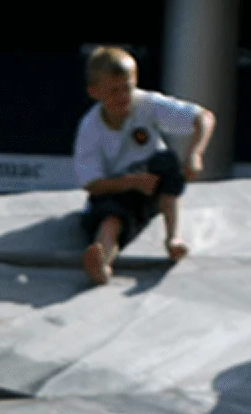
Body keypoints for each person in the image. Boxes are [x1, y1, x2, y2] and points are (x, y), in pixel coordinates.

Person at [73, 44, 212, 285]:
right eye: (113, 91)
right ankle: (101, 261)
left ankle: (173, 239)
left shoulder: (147, 104)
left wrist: (195, 153)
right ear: (95, 92)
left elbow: (203, 117)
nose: (123, 98)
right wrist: (131, 182)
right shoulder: (90, 128)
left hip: (154, 184)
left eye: (127, 88)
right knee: (112, 219)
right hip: (117, 190)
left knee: (166, 162)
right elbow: (92, 184)